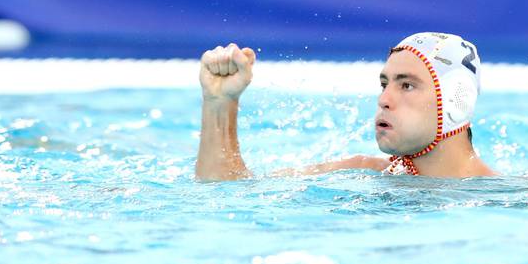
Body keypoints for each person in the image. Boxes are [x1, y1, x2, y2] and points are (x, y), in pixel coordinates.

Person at [195, 32, 495, 181]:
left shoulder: (510, 198)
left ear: (457, 100)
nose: (384, 99)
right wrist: (220, 103)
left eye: (406, 85)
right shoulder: (360, 172)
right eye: (384, 84)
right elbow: (227, 191)